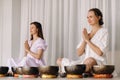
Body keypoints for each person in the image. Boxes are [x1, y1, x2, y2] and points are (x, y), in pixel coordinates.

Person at [57, 8, 109, 74]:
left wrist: (87, 40)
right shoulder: (87, 33)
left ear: (99, 17)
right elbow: (79, 53)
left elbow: (100, 53)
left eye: (91, 17)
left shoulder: (104, 32)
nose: (88, 19)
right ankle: (77, 71)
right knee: (59, 60)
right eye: (87, 17)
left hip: (97, 62)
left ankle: (73, 71)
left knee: (89, 61)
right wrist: (85, 39)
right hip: (85, 62)